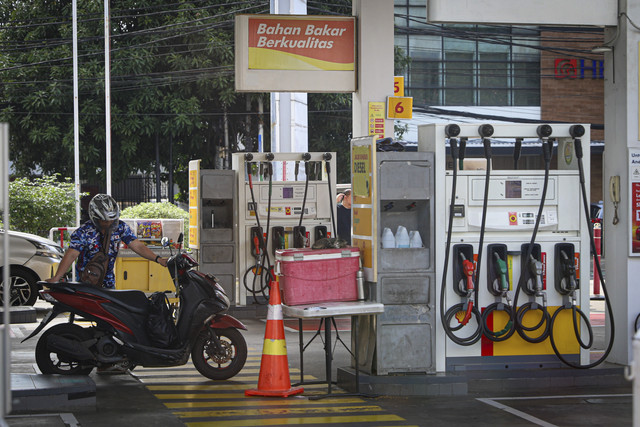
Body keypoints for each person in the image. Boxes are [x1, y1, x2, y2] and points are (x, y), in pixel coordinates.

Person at [47, 194, 168, 288]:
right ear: (95, 218)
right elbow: (71, 254)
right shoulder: (83, 232)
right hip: (86, 282)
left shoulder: (120, 227)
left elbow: (137, 246)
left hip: (108, 282)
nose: (109, 223)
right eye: (104, 221)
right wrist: (57, 277)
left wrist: (158, 260)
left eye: (112, 220)